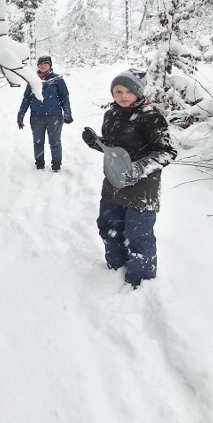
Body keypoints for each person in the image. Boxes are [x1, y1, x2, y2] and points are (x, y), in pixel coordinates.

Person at [81, 70, 177, 288]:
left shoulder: (151, 117)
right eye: (118, 91)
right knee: (108, 226)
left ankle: (140, 283)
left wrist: (139, 168)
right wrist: (96, 142)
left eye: (129, 91)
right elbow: (114, 150)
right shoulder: (111, 115)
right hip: (114, 184)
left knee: (137, 235)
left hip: (142, 188)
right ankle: (115, 267)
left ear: (139, 92)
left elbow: (166, 152)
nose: (123, 96)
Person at [16, 55, 72, 171]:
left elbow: (64, 97)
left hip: (54, 117)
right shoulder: (33, 80)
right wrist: (21, 114)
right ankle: (39, 164)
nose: (42, 66)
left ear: (50, 65)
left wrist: (67, 112)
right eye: (40, 64)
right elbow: (26, 98)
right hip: (36, 117)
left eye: (45, 63)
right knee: (38, 142)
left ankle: (56, 165)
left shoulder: (57, 79)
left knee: (55, 142)